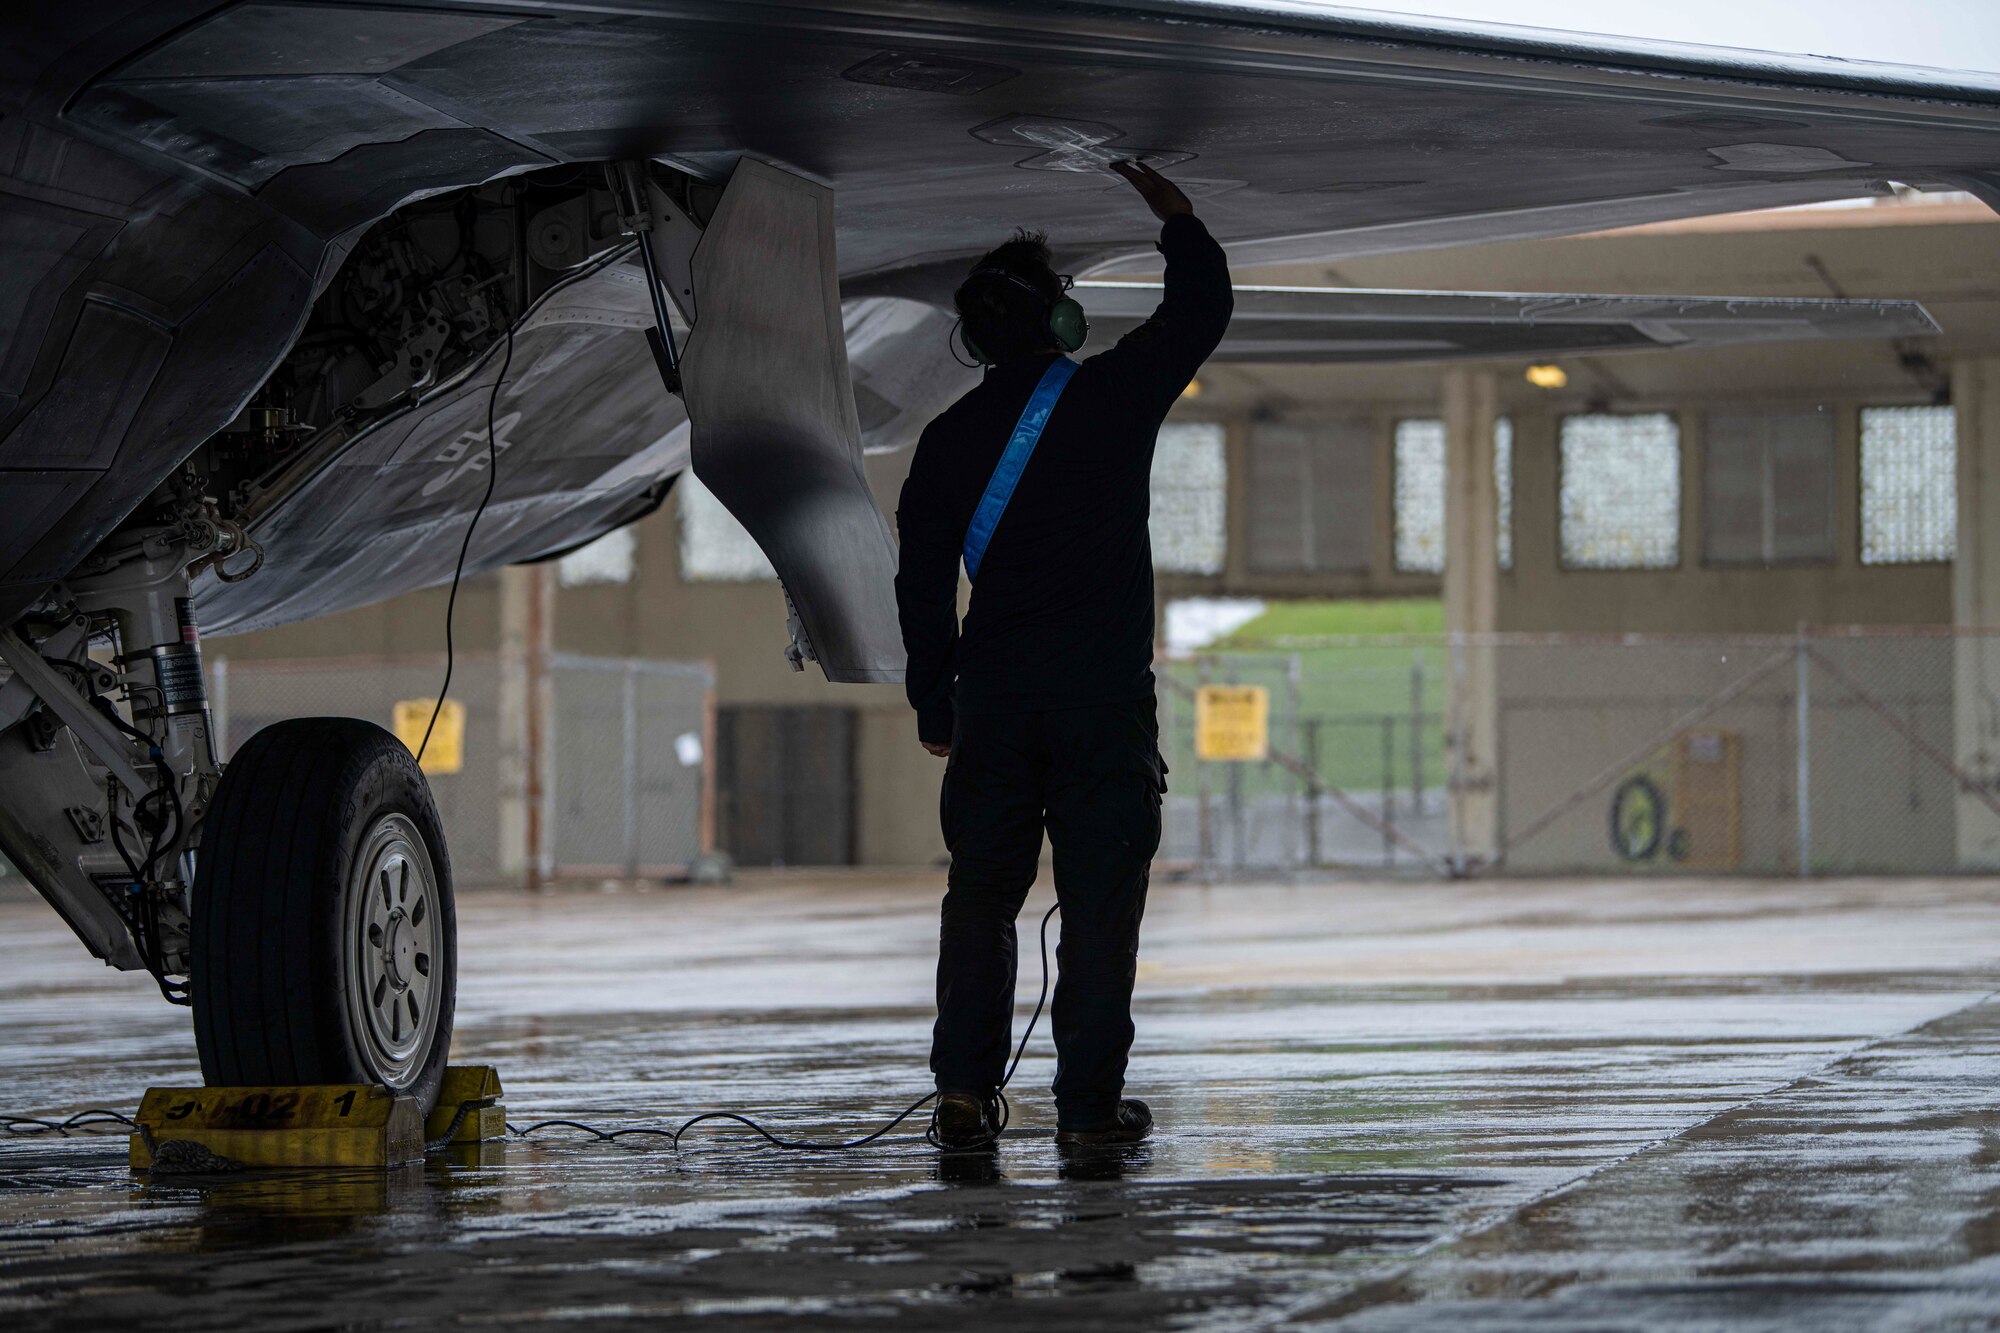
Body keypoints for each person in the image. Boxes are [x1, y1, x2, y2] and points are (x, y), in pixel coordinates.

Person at [894, 161, 1232, 1150]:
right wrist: (1165, 203)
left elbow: (918, 586)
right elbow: (1201, 303)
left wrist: (934, 705)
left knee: (980, 899)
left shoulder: (946, 441)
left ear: (974, 341)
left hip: (994, 705)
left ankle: (962, 1096)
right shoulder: (1114, 396)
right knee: (1096, 908)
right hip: (1100, 707)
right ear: (1060, 325)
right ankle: (1086, 1111)